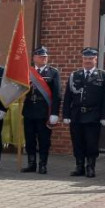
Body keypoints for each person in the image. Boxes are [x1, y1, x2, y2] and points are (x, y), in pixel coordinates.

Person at [62, 47, 105, 178]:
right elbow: (68, 97)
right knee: (77, 142)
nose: (88, 61)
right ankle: (79, 166)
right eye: (85, 58)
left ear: (96, 59)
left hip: (93, 115)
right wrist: (66, 115)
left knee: (91, 143)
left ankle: (90, 167)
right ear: (82, 59)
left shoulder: (104, 76)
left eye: (91, 58)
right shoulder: (75, 75)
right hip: (77, 115)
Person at [21, 46, 62, 175]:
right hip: (29, 110)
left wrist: (55, 113)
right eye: (40, 56)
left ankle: (42, 164)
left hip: (44, 111)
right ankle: (31, 164)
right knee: (29, 139)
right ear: (34, 58)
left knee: (44, 140)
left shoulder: (52, 73)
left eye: (45, 56)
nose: (43, 58)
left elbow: (57, 95)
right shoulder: (28, 72)